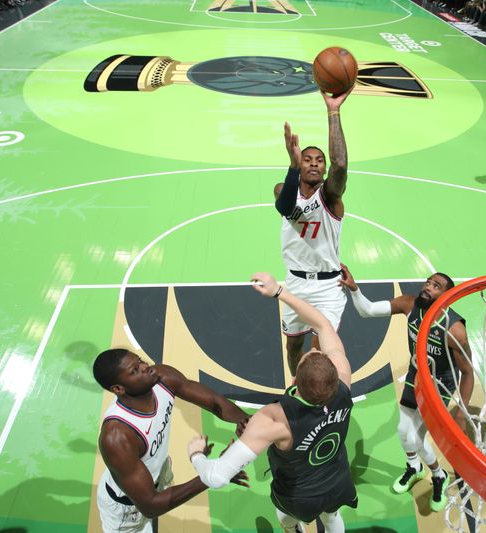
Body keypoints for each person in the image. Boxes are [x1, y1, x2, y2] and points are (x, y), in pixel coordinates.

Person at [187, 272, 357, 533]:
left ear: (294, 381)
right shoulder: (343, 380)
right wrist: (280, 292)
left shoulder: (275, 418)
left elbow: (216, 477)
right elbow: (323, 325)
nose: (312, 349)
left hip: (298, 495)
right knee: (332, 517)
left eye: (309, 354)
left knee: (286, 520)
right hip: (338, 480)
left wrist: (196, 454)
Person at [339, 264, 473, 512]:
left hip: (440, 385)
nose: (428, 287)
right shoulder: (410, 305)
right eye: (428, 282)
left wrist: (462, 413)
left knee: (417, 439)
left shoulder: (455, 330)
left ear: (445, 297)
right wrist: (354, 288)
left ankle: (438, 475)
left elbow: (467, 372)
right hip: (416, 375)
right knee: (403, 430)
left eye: (436, 286)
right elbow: (367, 310)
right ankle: (414, 468)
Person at [93, 349, 250, 532]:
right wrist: (216, 472)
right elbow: (150, 506)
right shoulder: (117, 436)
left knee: (155, 515)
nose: (146, 367)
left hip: (156, 476)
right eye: (135, 370)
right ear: (118, 389)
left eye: (140, 361)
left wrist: (245, 420)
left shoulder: (163, 377)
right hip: (127, 510)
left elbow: (214, 402)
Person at [273, 88, 353, 375]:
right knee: (293, 347)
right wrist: (293, 166)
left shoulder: (330, 197)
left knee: (320, 354)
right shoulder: (284, 190)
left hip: (327, 288)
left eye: (320, 160)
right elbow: (284, 206)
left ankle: (320, 400)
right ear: (298, 162)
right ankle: (295, 385)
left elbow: (340, 165)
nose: (315, 163)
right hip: (294, 284)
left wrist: (333, 112)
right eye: (308, 159)